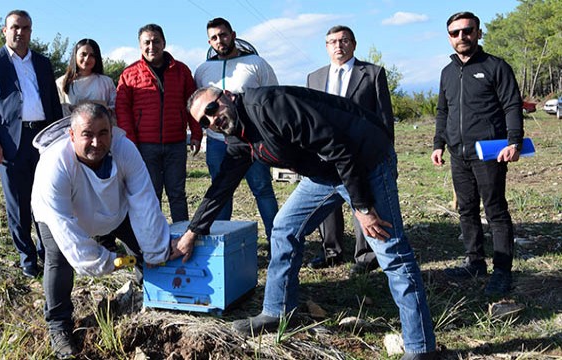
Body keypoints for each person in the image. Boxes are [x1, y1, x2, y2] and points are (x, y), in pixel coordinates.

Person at [176, 86, 437, 360]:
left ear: (228, 95)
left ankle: (421, 347)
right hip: (326, 172)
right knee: (284, 227)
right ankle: (276, 311)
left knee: (390, 249)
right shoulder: (239, 139)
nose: (212, 120)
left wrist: (362, 206)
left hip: (364, 159)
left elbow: (339, 147)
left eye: (211, 109)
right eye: (204, 122)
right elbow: (222, 185)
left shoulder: (269, 106)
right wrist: (193, 231)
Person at [31, 102, 187, 359]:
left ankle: (154, 294)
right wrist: (105, 262)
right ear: (72, 136)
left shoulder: (125, 150)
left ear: (112, 132)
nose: (96, 142)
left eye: (103, 133)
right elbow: (67, 230)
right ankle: (59, 326)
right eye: (87, 135)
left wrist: (156, 249)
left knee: (147, 249)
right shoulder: (54, 165)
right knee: (58, 259)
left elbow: (144, 200)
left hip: (115, 209)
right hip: (62, 216)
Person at [432, 11, 523, 296]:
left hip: (490, 153)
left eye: (467, 31)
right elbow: (443, 111)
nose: (462, 37)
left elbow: (512, 105)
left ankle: (502, 271)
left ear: (478, 32)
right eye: (455, 33)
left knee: (495, 210)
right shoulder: (447, 72)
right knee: (466, 209)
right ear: (449, 38)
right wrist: (438, 143)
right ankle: (474, 262)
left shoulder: (496, 66)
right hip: (458, 154)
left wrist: (514, 142)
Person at [0, 10, 62, 279]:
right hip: (11, 142)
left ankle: (48, 252)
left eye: (25, 28)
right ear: (5, 30)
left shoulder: (43, 63)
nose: (20, 32)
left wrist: (58, 137)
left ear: (31, 31)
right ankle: (27, 258)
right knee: (18, 202)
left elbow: (53, 103)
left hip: (43, 138)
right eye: (14, 27)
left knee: (46, 197)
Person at [305, 25, 394, 273]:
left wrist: (388, 155)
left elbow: (384, 118)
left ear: (353, 44)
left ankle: (365, 256)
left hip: (362, 151)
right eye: (332, 41)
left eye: (343, 40)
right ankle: (331, 251)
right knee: (327, 201)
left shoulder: (372, 73)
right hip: (325, 152)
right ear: (326, 47)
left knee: (362, 200)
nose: (338, 45)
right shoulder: (315, 77)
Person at [194, 17, 279, 241]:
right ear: (209, 42)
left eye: (223, 35)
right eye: (214, 37)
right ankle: (222, 241)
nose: (219, 40)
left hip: (252, 140)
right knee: (221, 192)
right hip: (216, 141)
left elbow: (273, 97)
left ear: (233, 35)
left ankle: (276, 239)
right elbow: (197, 105)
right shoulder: (203, 70)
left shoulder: (256, 63)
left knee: (262, 189)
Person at [116, 24, 202, 223]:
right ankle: (155, 241)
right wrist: (131, 142)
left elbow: (193, 103)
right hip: (145, 146)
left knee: (177, 193)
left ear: (164, 42)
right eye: (146, 42)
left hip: (176, 143)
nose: (151, 46)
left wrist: (196, 134)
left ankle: (182, 237)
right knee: (151, 194)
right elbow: (123, 111)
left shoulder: (181, 71)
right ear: (140, 46)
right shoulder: (129, 74)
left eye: (156, 41)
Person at [56, 38, 117, 118]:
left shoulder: (106, 82)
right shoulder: (61, 82)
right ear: (75, 55)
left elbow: (115, 106)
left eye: (92, 55)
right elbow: (56, 109)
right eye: (83, 54)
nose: (87, 59)